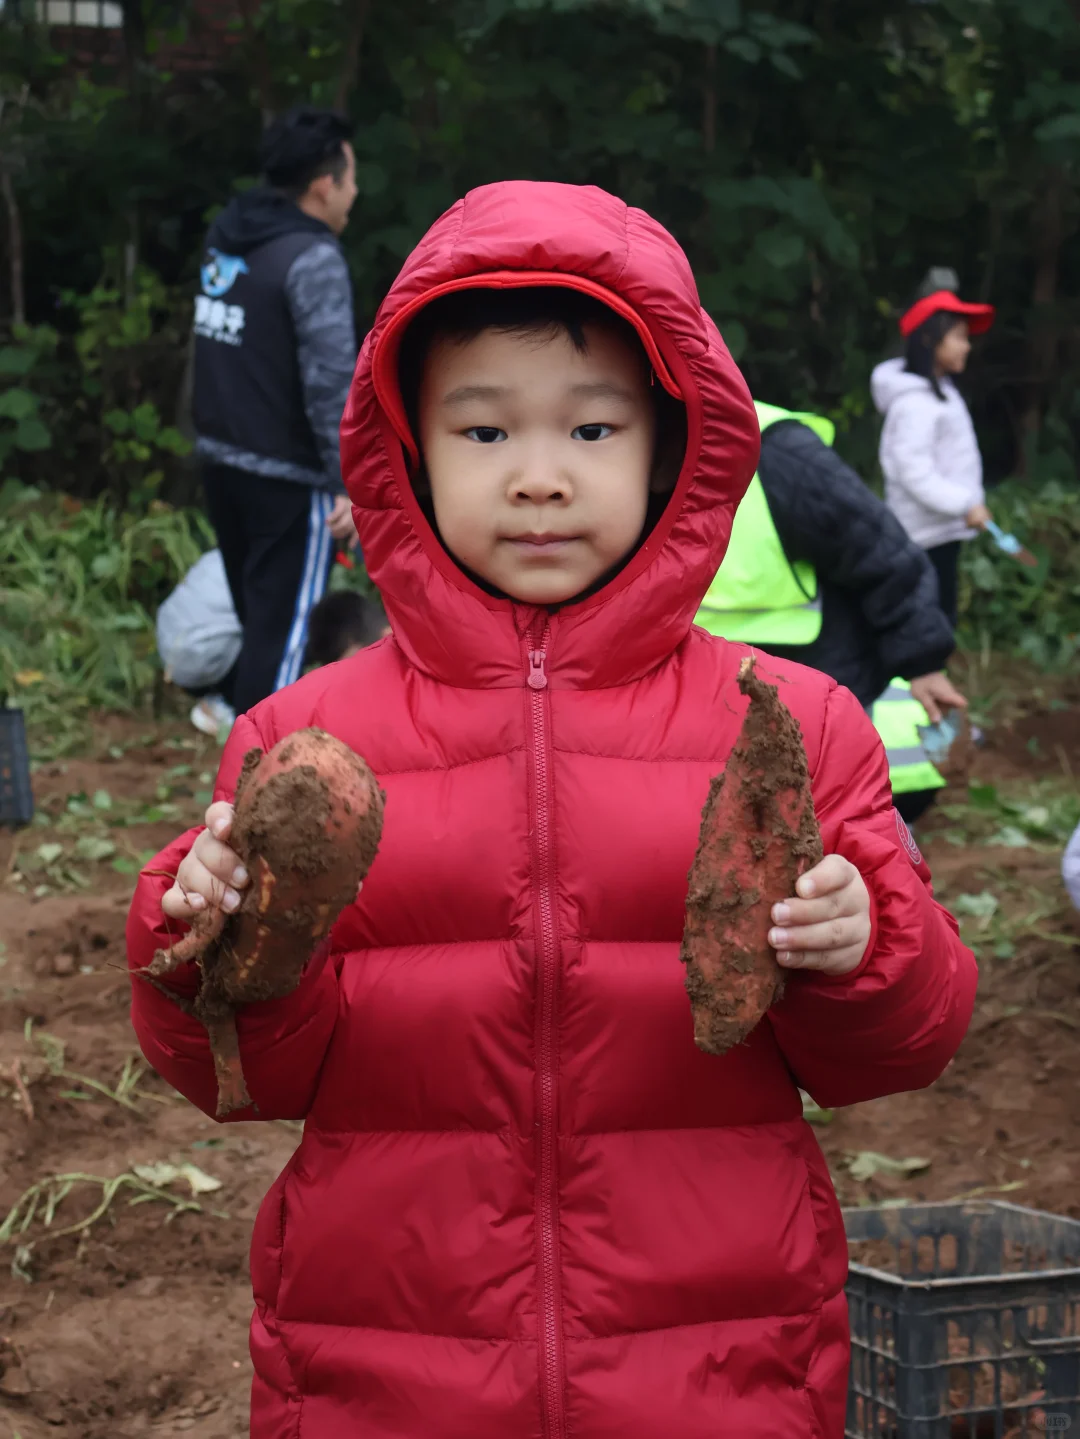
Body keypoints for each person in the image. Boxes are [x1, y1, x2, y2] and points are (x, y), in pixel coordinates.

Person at [127, 181, 977, 1438]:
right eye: (482, 433)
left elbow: (893, 1050)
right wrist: (208, 941)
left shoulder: (787, 727)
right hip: (389, 1354)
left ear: (672, 447)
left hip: (712, 1356)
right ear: (406, 446)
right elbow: (249, 1076)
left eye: (591, 431)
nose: (537, 479)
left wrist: (863, 950)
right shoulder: (301, 741)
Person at [696, 402, 967, 822]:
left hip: (817, 679)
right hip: (704, 689)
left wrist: (923, 661)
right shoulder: (625, 448)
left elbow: (880, 550)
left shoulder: (776, 450)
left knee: (836, 833)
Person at [191, 105, 360, 724]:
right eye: (350, 177)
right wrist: (349, 479)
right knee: (285, 639)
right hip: (287, 479)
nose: (355, 191)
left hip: (220, 458)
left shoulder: (229, 235)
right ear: (324, 183)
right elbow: (330, 383)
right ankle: (254, 781)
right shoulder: (310, 257)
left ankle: (240, 739)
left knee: (260, 623)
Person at [870, 272, 995, 625]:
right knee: (927, 623)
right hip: (921, 538)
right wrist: (964, 504)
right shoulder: (914, 405)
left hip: (942, 531)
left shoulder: (941, 392)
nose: (966, 346)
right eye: (958, 337)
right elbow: (913, 471)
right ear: (928, 339)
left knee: (942, 618)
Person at [155, 549, 241, 737]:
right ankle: (239, 706)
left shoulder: (221, 552)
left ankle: (218, 704)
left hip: (172, 657)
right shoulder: (272, 562)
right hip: (207, 657)